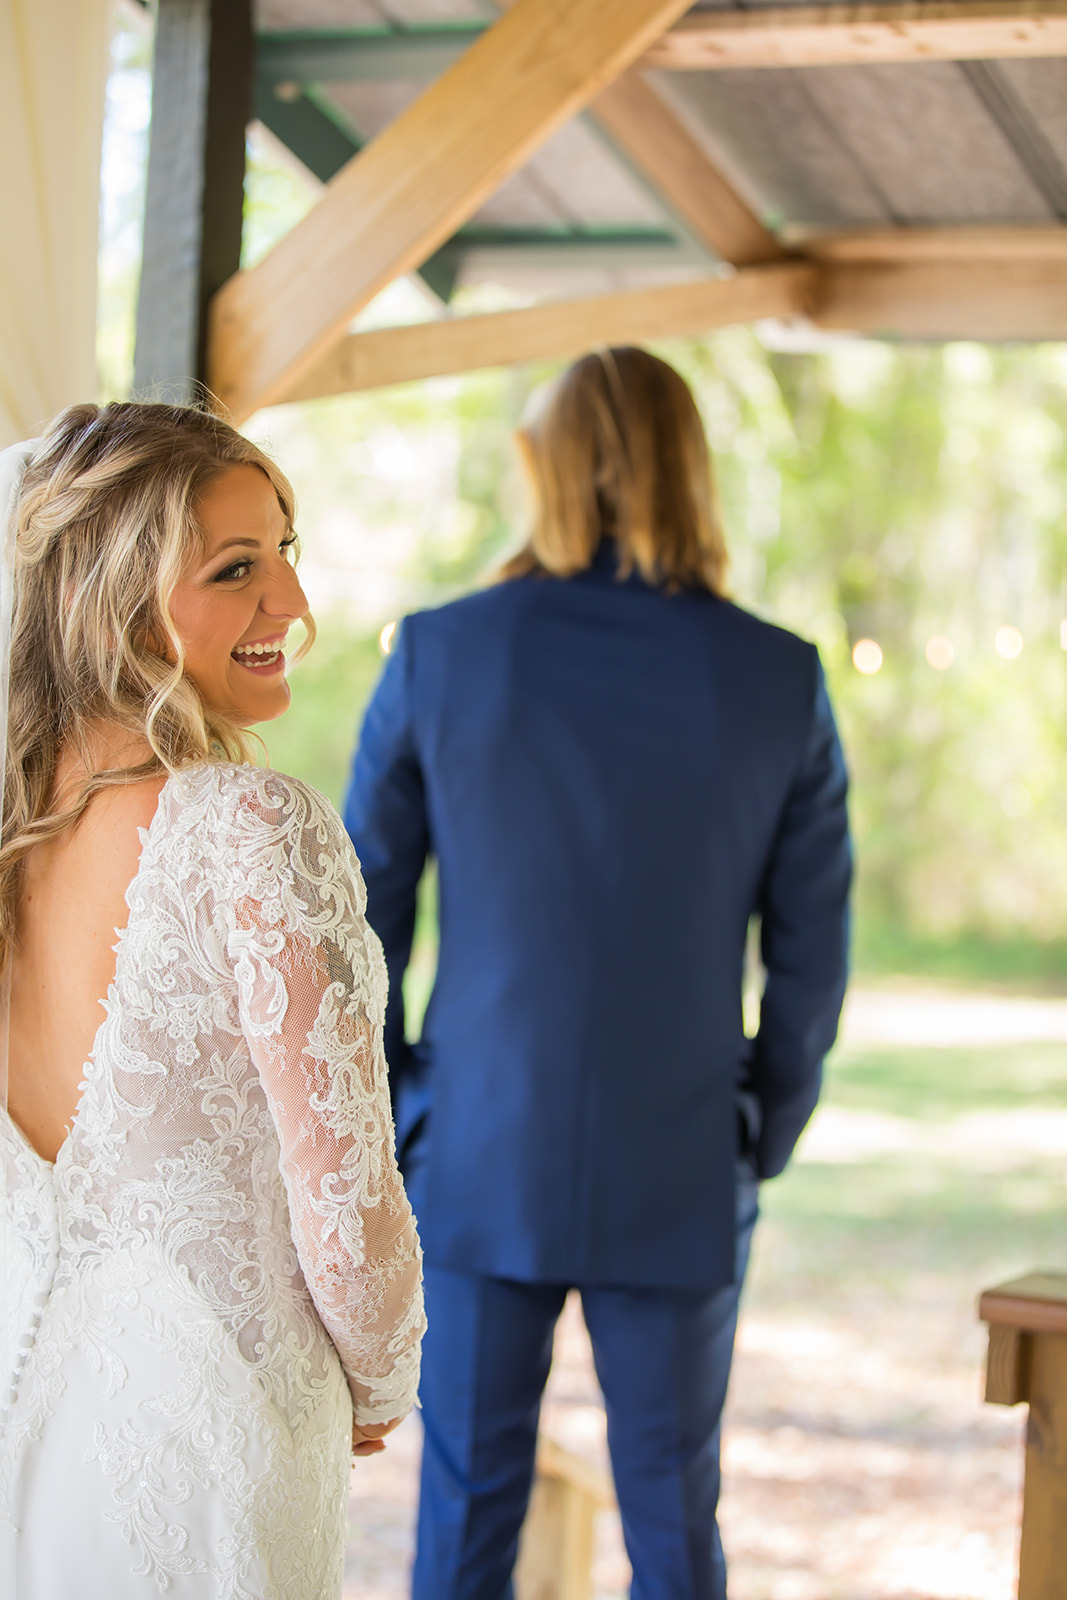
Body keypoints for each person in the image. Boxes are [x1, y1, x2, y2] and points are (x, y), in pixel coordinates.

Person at [345, 347, 851, 1600]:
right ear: (691, 467)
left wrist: (406, 1103)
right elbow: (810, 952)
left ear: (546, 466)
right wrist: (757, 1127)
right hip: (679, 1151)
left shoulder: (439, 654)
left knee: (462, 1517)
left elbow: (357, 921)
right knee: (677, 1518)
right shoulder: (776, 677)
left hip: (476, 1146)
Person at [0, 402, 424, 1600]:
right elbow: (348, 1205)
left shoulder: (10, 840)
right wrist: (378, 1384)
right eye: (235, 569)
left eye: (286, 555)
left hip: (24, 1408)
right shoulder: (248, 827)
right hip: (209, 1429)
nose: (290, 606)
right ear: (114, 595)